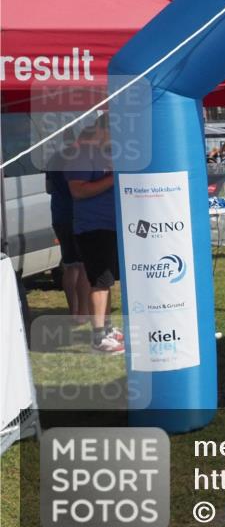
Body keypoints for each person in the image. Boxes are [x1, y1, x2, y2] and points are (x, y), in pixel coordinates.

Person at [65, 115, 123, 354]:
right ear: (101, 130)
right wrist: (113, 178)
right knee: (99, 281)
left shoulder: (105, 154)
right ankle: (98, 337)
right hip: (92, 227)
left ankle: (106, 328)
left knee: (105, 281)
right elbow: (77, 190)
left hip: (108, 226)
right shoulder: (80, 155)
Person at [45, 139, 90, 322]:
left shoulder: (54, 158)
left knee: (70, 265)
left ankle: (73, 311)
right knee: (84, 266)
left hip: (59, 215)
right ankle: (84, 313)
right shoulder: (83, 158)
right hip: (79, 215)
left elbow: (48, 189)